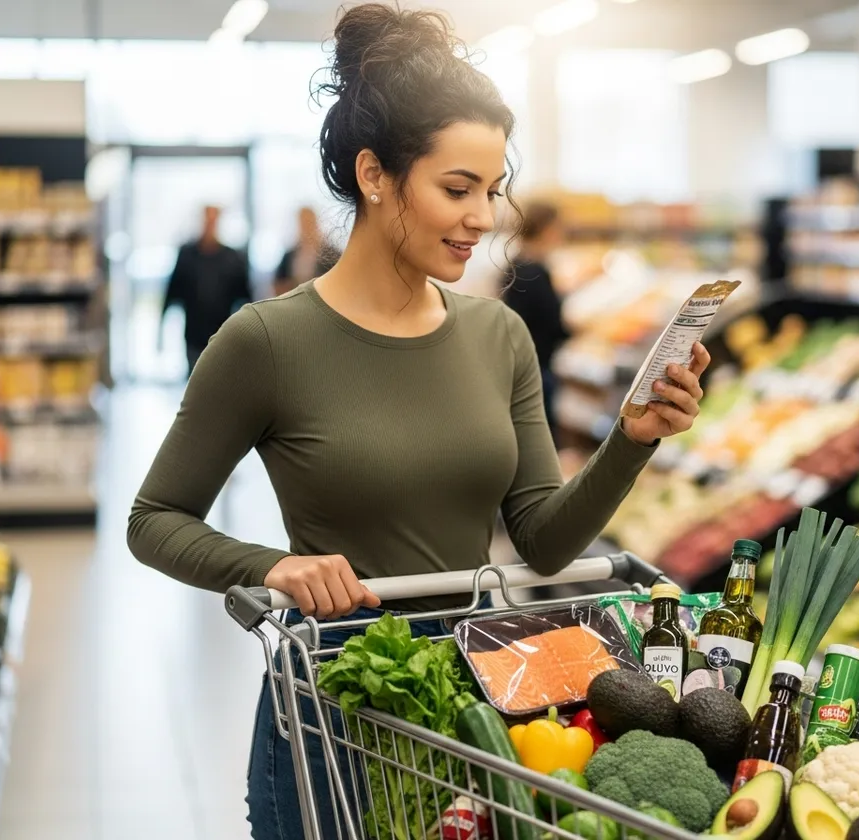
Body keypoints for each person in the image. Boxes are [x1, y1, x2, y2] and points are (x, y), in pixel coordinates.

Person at [126, 6, 709, 840]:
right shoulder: (268, 340)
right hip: (331, 701)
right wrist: (276, 567)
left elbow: (540, 540)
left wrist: (633, 440)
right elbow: (154, 522)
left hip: (477, 697)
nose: (483, 217)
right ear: (375, 175)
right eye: (456, 189)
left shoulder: (498, 334)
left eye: (493, 190)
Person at [502, 200, 570, 443]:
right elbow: (553, 324)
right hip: (538, 367)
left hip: (519, 366)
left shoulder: (514, 264)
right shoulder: (535, 271)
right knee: (543, 439)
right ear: (547, 228)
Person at [161, 205, 253, 375]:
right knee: (195, 380)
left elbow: (247, 298)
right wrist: (161, 329)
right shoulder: (187, 255)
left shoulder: (231, 258)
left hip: (222, 333)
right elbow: (172, 292)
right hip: (194, 333)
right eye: (206, 220)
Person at [273, 206, 340, 297]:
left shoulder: (331, 254)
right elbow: (279, 282)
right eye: (302, 222)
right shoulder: (289, 255)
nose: (306, 227)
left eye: (309, 222)